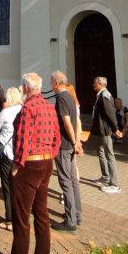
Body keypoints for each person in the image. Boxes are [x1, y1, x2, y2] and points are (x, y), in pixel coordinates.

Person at [0, 72, 60, 254]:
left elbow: (22, 139)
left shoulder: (27, 109)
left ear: (24, 88)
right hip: (46, 165)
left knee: (22, 223)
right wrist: (48, 157)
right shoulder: (50, 108)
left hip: (28, 166)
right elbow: (57, 139)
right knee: (42, 218)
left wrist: (17, 166)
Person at [50, 71, 83, 232]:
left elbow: (68, 122)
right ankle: (77, 215)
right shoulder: (70, 97)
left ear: (56, 83)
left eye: (51, 82)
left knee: (65, 181)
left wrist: (75, 142)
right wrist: (76, 142)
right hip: (70, 144)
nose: (50, 85)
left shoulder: (61, 98)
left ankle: (71, 221)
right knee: (73, 180)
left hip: (63, 145)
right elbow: (77, 120)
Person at [0, 87, 22, 231]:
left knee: (7, 187)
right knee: (19, 186)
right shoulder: (24, 110)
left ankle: (10, 220)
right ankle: (21, 217)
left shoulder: (5, 112)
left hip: (8, 154)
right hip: (22, 155)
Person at [90, 76, 122, 194]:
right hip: (100, 130)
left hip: (105, 130)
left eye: (95, 83)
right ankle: (105, 177)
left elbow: (110, 114)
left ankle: (115, 184)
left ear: (100, 84)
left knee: (109, 155)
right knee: (101, 151)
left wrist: (115, 128)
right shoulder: (100, 94)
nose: (93, 85)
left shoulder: (105, 96)